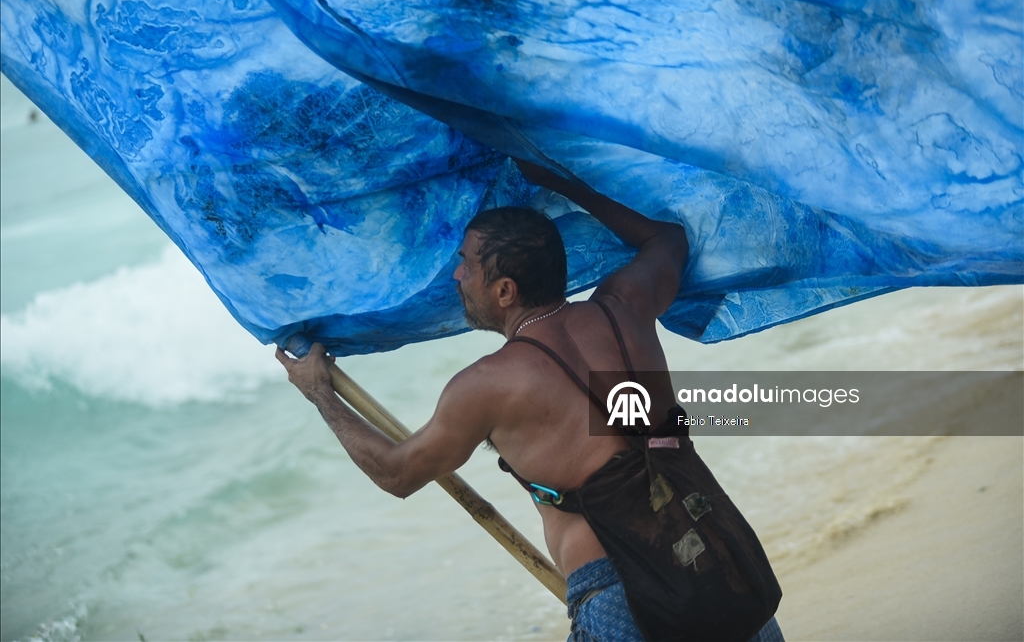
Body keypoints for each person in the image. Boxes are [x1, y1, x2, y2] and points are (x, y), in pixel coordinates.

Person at [276, 158, 783, 642]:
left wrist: (320, 392)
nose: (456, 276)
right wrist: (566, 184)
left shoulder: (488, 384)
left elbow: (395, 473)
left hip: (623, 595)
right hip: (720, 563)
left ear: (505, 291)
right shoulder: (625, 307)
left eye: (465, 265)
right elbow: (666, 238)